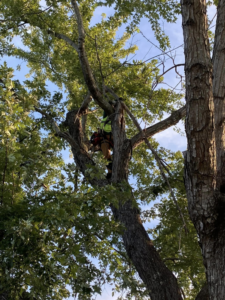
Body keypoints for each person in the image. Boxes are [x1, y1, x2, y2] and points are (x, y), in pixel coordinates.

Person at [99, 111, 113, 179]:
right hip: (105, 137)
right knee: (107, 155)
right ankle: (110, 169)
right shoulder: (105, 118)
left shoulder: (116, 115)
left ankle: (110, 168)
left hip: (113, 136)